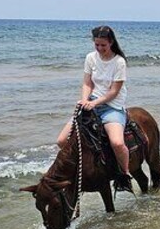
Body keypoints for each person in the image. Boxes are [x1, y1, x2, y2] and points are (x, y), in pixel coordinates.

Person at [57, 25, 133, 192]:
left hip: (112, 106)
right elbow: (87, 83)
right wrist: (84, 100)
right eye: (96, 45)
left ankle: (125, 174)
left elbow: (114, 91)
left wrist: (95, 103)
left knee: (117, 143)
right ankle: (83, 166)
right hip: (91, 103)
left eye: (103, 45)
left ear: (111, 42)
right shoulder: (91, 58)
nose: (99, 48)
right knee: (62, 140)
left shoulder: (119, 62)